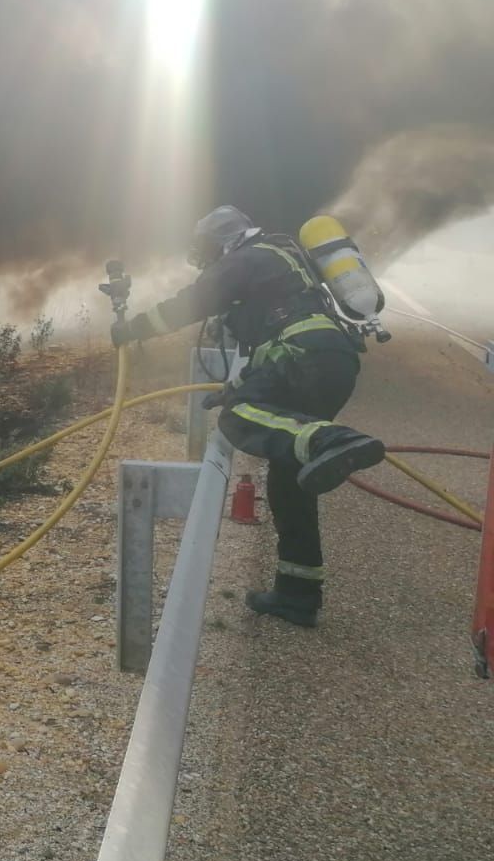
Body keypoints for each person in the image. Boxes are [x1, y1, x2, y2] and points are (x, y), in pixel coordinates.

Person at [110, 206, 386, 627]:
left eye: (206, 250)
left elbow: (187, 305)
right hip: (331, 362)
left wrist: (131, 329)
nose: (205, 260)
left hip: (302, 359)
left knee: (237, 417)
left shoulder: (245, 258)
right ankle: (297, 594)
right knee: (288, 480)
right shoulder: (282, 256)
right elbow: (273, 335)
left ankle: (328, 439)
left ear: (221, 242)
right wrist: (238, 384)